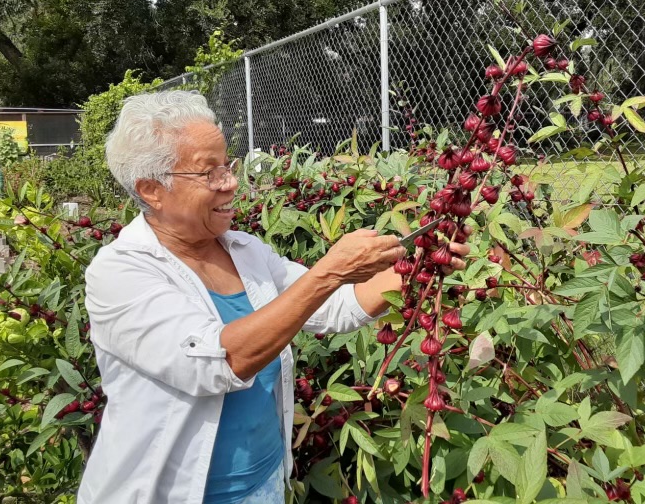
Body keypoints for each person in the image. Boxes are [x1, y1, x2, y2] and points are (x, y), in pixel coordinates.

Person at [76, 91, 469, 504]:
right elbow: (221, 362)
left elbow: (333, 307)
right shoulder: (120, 274)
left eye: (227, 165)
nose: (229, 182)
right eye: (208, 173)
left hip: (264, 481)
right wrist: (330, 270)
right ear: (152, 190)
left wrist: (418, 268)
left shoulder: (244, 250)